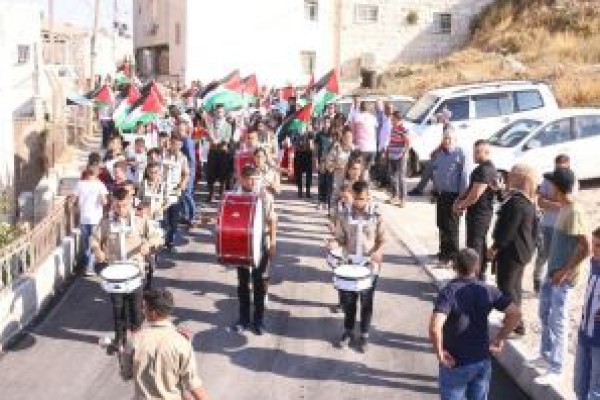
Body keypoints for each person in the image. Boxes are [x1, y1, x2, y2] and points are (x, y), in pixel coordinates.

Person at [430, 248, 521, 400]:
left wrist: (439, 353)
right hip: (482, 360)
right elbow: (515, 314)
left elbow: (435, 328)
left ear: (455, 266)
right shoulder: (489, 290)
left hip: (455, 361)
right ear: (477, 267)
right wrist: (500, 338)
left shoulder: (448, 292)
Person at [533, 167, 591, 386]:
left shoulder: (575, 211)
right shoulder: (564, 207)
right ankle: (546, 355)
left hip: (564, 278)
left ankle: (556, 368)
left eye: (551, 184)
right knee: (544, 313)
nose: (548, 188)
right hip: (553, 272)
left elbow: (586, 247)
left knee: (558, 320)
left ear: (557, 187)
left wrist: (565, 271)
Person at [92, 187, 163, 353]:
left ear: (130, 203)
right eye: (117, 205)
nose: (120, 209)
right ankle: (120, 340)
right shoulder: (106, 222)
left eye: (124, 205)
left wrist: (148, 245)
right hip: (115, 273)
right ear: (113, 203)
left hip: (135, 273)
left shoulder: (140, 221)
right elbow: (94, 239)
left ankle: (137, 342)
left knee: (136, 310)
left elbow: (157, 236)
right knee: (118, 309)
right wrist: (97, 250)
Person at [119, 289, 210, 400]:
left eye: (144, 307)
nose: (142, 310)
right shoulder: (181, 342)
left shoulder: (135, 340)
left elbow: (126, 375)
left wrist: (123, 355)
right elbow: (192, 382)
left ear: (153, 313)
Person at [328, 180, 385, 353]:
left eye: (362, 199)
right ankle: (348, 331)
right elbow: (341, 238)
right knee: (349, 301)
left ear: (368, 197)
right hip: (350, 264)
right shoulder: (345, 214)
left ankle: (365, 334)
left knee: (366, 301)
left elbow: (382, 239)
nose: (359, 203)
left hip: (369, 265)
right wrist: (334, 243)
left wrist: (378, 252)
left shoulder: (376, 214)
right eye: (356, 198)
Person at [489, 164, 538, 336]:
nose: (509, 177)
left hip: (512, 251)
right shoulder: (527, 200)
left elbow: (508, 229)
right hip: (523, 250)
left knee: (506, 286)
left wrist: (495, 247)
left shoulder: (517, 202)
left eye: (512, 175)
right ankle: (514, 319)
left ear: (520, 179)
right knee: (515, 287)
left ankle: (516, 322)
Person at [231, 165, 277, 335]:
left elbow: (272, 220)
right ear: (241, 179)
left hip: (260, 242)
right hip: (241, 243)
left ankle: (258, 320)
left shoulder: (265, 196)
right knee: (243, 283)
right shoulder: (235, 195)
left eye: (255, 179)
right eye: (249, 179)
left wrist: (273, 243)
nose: (252, 183)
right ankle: (243, 319)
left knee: (259, 283)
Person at [453, 140, 498, 281]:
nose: (474, 155)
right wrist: (459, 200)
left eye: (477, 152)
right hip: (478, 213)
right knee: (478, 242)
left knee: (475, 245)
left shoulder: (485, 170)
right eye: (474, 151)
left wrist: (461, 205)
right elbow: (470, 188)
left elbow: (475, 194)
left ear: (486, 152)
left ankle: (475, 277)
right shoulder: (481, 169)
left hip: (480, 214)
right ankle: (479, 274)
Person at [533, 154, 579, 293]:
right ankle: (537, 280)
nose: (559, 172)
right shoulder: (548, 180)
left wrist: (550, 201)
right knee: (543, 254)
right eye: (557, 168)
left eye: (562, 169)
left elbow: (568, 202)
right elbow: (540, 202)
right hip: (547, 224)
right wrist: (557, 202)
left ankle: (555, 281)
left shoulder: (572, 180)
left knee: (559, 256)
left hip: (563, 225)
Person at [431, 129, 465, 267]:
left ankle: (452, 256)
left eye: (450, 138)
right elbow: (436, 171)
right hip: (441, 194)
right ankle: (443, 252)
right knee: (441, 224)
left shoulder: (460, 154)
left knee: (451, 227)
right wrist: (434, 190)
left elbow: (464, 178)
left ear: (455, 140)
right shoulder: (440, 153)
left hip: (453, 195)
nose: (447, 141)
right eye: (445, 138)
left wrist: (461, 199)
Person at [574, 227, 600, 400]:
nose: (593, 249)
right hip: (584, 334)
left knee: (595, 390)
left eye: (598, 246)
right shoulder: (594, 263)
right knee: (579, 385)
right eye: (593, 243)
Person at [74, 165, 109, 276]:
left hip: (84, 218)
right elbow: (104, 202)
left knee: (86, 245)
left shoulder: (80, 184)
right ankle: (90, 267)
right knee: (94, 243)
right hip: (96, 218)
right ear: (96, 173)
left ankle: (87, 265)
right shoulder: (100, 185)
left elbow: (74, 199)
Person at [163, 133, 190, 250]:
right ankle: (160, 239)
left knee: (173, 217)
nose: (175, 146)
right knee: (161, 216)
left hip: (175, 190)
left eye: (178, 144)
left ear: (181, 145)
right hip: (162, 189)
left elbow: (186, 173)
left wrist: (182, 184)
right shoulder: (164, 155)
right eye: (173, 143)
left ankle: (170, 241)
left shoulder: (183, 158)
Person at [206, 103, 233, 202]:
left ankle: (221, 194)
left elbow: (227, 139)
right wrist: (211, 139)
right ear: (215, 112)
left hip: (223, 152)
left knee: (223, 174)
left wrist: (218, 142)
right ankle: (211, 194)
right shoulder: (210, 125)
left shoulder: (228, 126)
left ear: (224, 112)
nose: (219, 113)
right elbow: (207, 137)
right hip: (213, 152)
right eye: (217, 111)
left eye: (221, 111)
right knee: (210, 173)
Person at [326, 126, 355, 206]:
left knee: (348, 198)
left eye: (350, 137)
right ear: (342, 137)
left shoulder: (354, 149)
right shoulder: (336, 148)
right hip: (338, 178)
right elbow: (328, 164)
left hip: (350, 180)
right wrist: (338, 165)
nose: (348, 139)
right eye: (347, 137)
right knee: (336, 197)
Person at [387, 111, 410, 207]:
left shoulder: (403, 129)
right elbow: (391, 141)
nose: (391, 121)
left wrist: (405, 153)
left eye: (393, 119)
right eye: (391, 119)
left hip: (400, 155)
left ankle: (403, 198)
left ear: (398, 119)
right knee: (393, 176)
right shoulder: (393, 128)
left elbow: (408, 142)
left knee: (401, 177)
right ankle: (395, 196)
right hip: (392, 155)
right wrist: (387, 151)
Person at [351, 101, 378, 182]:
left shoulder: (356, 117)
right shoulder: (373, 118)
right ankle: (365, 186)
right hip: (372, 148)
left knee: (358, 170)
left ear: (360, 108)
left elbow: (352, 132)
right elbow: (375, 131)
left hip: (360, 147)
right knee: (366, 170)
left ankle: (359, 187)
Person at [315, 118, 334, 210]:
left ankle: (326, 201)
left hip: (330, 162)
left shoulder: (333, 135)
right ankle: (320, 201)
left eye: (328, 122)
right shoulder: (319, 135)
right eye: (325, 122)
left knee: (328, 182)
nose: (326, 124)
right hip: (321, 161)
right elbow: (316, 149)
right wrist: (316, 161)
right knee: (321, 182)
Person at [293, 122, 315, 198]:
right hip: (299, 154)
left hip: (308, 154)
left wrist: (310, 134)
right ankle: (300, 190)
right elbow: (293, 143)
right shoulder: (296, 132)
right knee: (298, 173)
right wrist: (298, 142)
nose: (303, 126)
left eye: (305, 124)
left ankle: (308, 191)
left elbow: (313, 145)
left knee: (309, 174)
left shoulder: (310, 133)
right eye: (302, 124)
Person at [375, 101, 393, 187]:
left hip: (386, 147)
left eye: (389, 109)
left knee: (386, 166)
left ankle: (387, 183)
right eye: (386, 109)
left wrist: (384, 148)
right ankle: (384, 182)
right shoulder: (386, 119)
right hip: (382, 146)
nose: (387, 110)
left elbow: (389, 136)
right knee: (383, 165)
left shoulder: (391, 121)